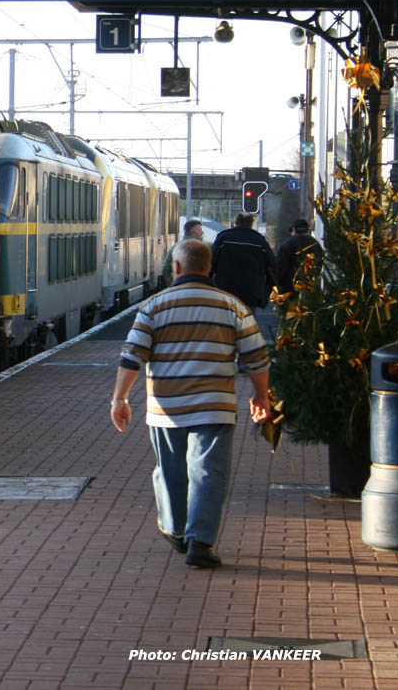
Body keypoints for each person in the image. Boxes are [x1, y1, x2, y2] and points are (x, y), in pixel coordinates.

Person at [110, 239, 271, 569]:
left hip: (166, 407)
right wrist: (261, 395)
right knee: (209, 473)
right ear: (210, 268)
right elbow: (257, 357)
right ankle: (201, 541)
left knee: (169, 471)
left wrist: (120, 399)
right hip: (215, 404)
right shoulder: (232, 306)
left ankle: (176, 529)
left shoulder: (154, 306)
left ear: (177, 268)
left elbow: (132, 356)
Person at [210, 213, 276, 309]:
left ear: (235, 222)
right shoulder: (259, 241)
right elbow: (272, 267)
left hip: (226, 290)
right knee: (248, 320)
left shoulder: (223, 238)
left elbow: (211, 263)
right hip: (251, 291)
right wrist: (266, 292)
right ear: (251, 224)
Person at [276, 218, 324, 290]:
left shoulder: (288, 244)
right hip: (311, 287)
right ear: (307, 230)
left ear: (294, 230)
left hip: (290, 287)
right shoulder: (315, 244)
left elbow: (281, 266)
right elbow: (320, 263)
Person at [161, 219, 205, 284]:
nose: (202, 232)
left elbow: (166, 268)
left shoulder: (175, 247)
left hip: (178, 284)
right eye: (200, 230)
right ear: (192, 232)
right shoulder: (203, 248)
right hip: (198, 285)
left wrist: (171, 284)